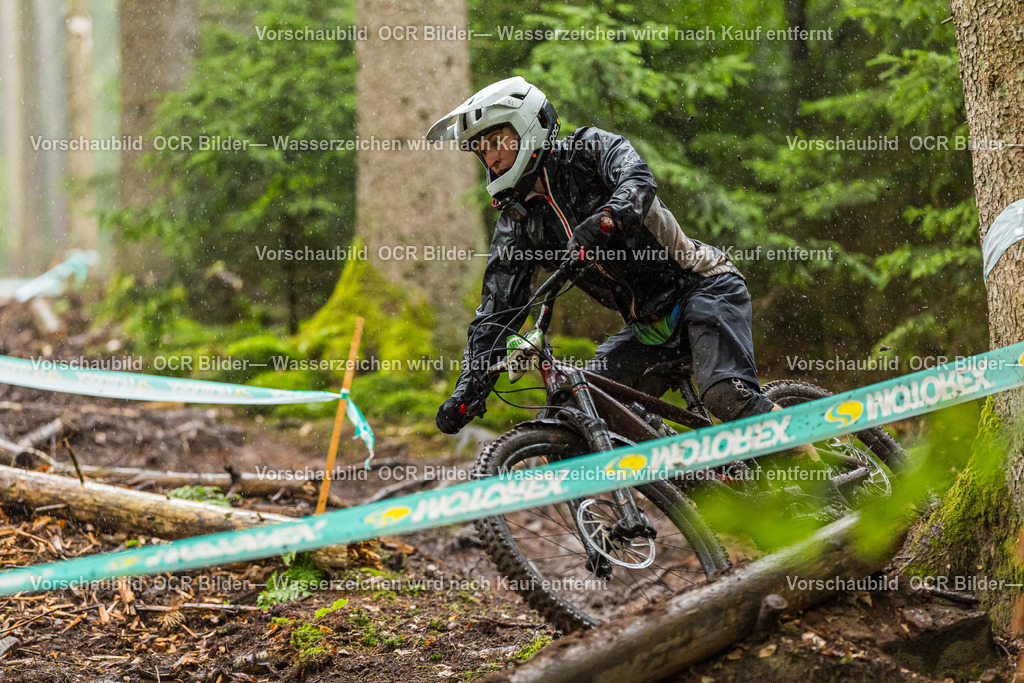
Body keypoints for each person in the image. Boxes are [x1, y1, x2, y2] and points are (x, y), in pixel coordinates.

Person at [426, 76, 781, 437]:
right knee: (574, 415)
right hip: (647, 329)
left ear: (528, 125)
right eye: (481, 150)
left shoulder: (588, 150)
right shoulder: (518, 222)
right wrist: (467, 392)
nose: (491, 157)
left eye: (496, 141)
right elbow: (496, 313)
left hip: (703, 288)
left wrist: (607, 218)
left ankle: (810, 466)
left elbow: (637, 179)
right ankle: (672, 471)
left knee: (726, 397)